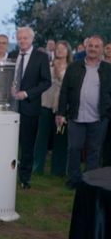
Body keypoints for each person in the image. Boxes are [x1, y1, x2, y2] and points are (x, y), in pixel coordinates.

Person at [56, 35, 111, 188]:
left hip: (99, 118)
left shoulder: (108, 69)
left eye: (96, 46)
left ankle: (89, 182)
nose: (93, 49)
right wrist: (60, 113)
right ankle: (74, 180)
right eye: (90, 46)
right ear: (86, 47)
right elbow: (64, 91)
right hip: (76, 116)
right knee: (74, 149)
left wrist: (108, 113)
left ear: (101, 49)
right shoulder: (74, 67)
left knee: (94, 151)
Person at [13, 26, 52, 189]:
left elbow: (46, 82)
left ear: (32, 39)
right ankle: (5, 174)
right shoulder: (12, 55)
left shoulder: (41, 57)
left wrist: (27, 94)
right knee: (8, 142)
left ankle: (25, 178)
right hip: (10, 106)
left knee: (27, 144)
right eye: (19, 38)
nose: (22, 41)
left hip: (29, 107)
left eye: (25, 38)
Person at [33, 40, 71, 176]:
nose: (60, 50)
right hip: (45, 104)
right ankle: (37, 167)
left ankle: (58, 171)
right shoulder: (47, 65)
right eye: (58, 48)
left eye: (63, 48)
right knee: (41, 137)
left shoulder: (72, 68)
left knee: (60, 138)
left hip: (62, 108)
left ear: (68, 51)